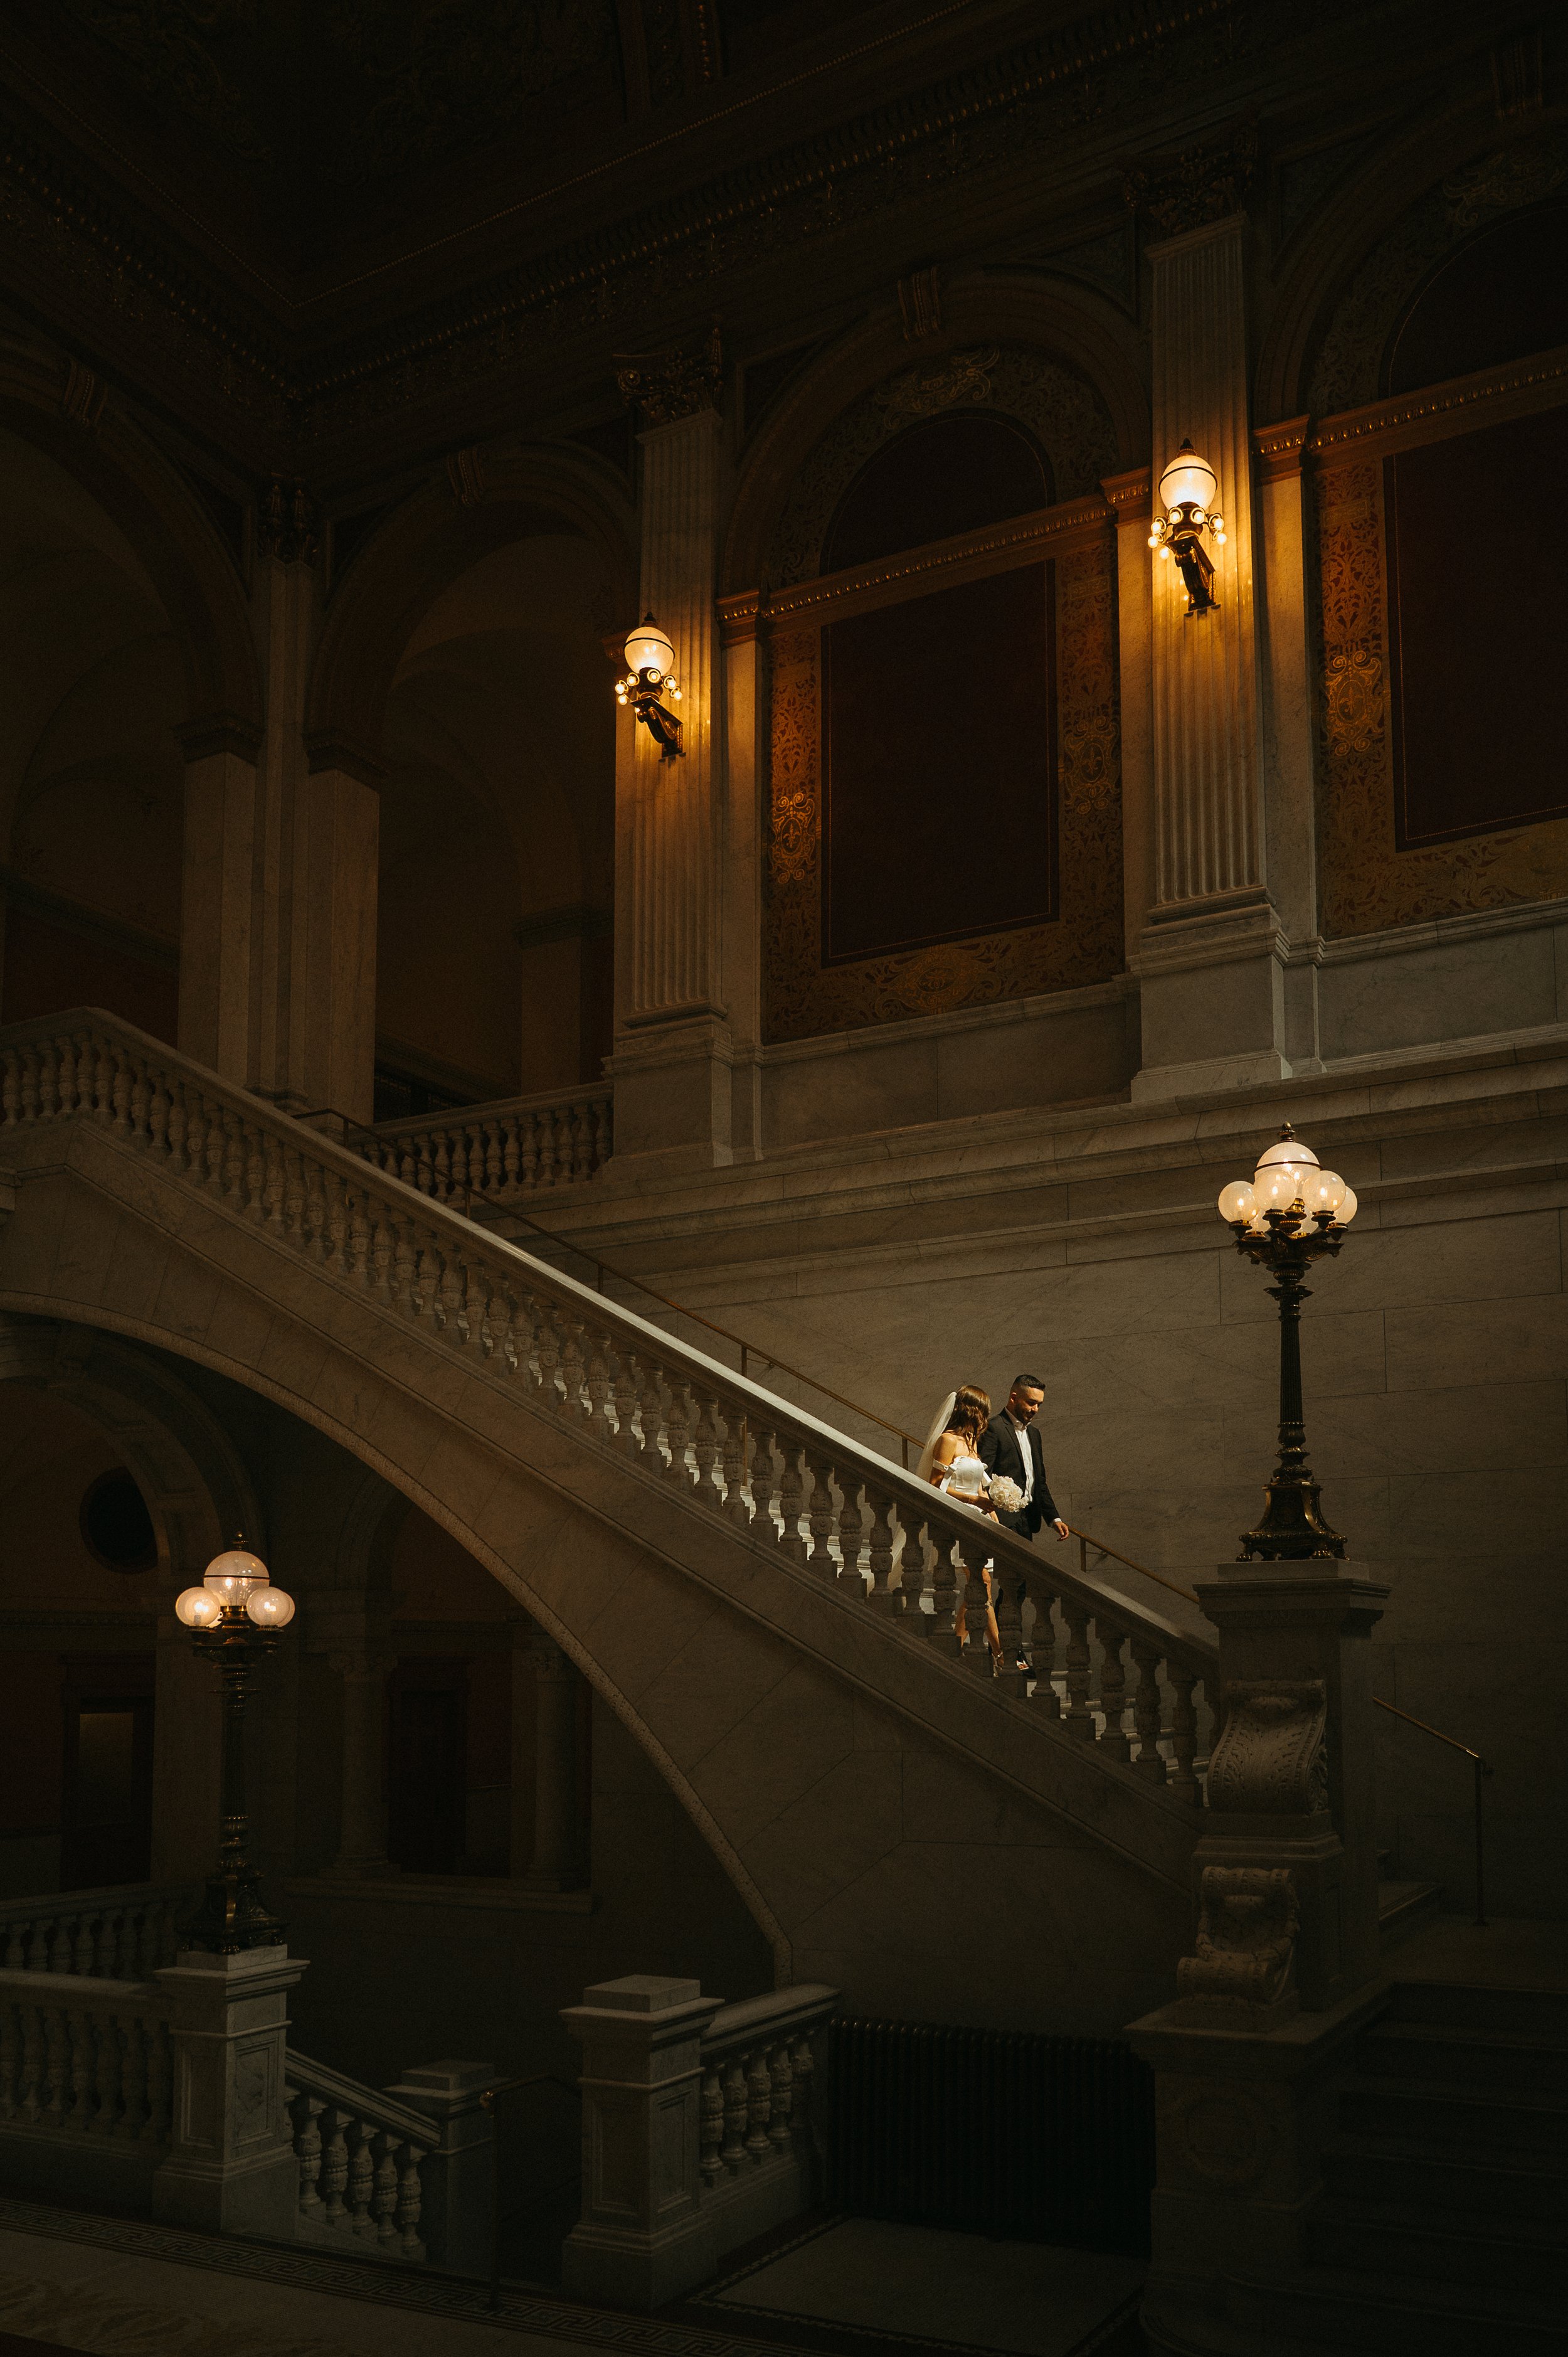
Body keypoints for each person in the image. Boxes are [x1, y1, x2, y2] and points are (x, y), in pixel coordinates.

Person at [917, 1383, 1007, 1671]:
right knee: (981, 1584)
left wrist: (995, 1520)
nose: (985, 1419)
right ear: (972, 1411)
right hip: (959, 1517)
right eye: (983, 1412)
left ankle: (968, 1648)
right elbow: (934, 1487)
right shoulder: (948, 1441)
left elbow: (980, 1483)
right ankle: (999, 1653)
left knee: (983, 1588)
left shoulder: (972, 1444)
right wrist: (974, 1500)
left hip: (979, 1518)